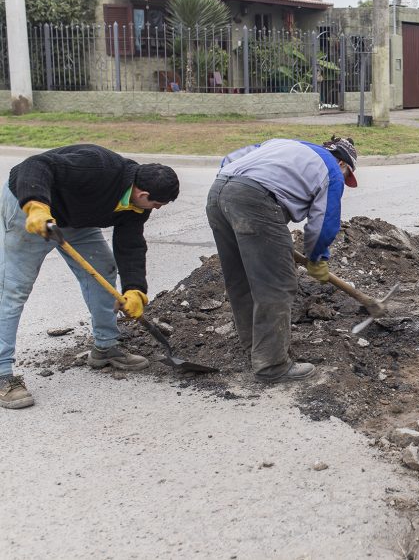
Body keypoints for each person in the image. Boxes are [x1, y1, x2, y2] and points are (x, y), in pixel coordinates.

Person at [0, 144, 180, 409]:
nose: (158, 209)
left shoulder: (138, 206)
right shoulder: (98, 166)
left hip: (75, 219)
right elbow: (34, 166)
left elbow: (130, 245)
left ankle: (106, 347)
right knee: (14, 288)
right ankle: (3, 374)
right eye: (157, 203)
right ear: (143, 193)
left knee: (103, 271)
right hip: (32, 208)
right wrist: (36, 205)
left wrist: (135, 289)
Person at [206, 135, 357, 383]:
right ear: (343, 164)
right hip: (257, 200)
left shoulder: (279, 144)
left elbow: (229, 160)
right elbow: (323, 225)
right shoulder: (332, 170)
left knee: (241, 279)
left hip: (218, 193)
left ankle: (256, 349)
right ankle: (272, 365)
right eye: (347, 174)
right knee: (277, 284)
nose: (344, 179)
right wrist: (317, 257)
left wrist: (238, 194)